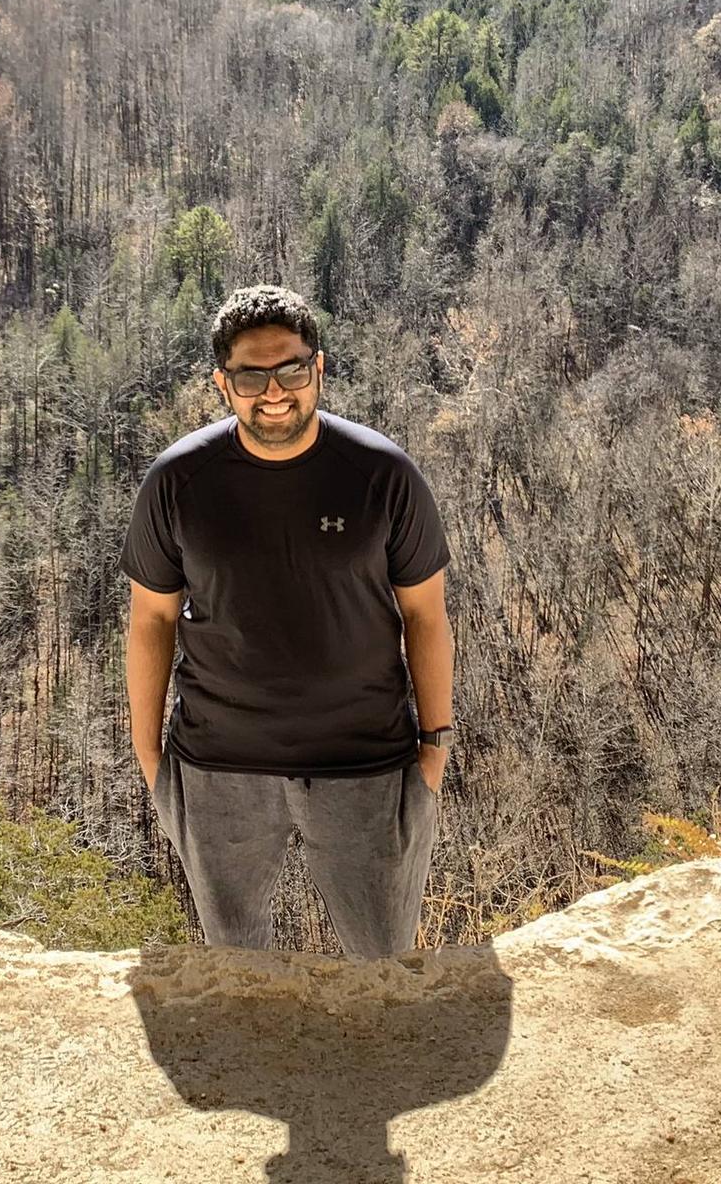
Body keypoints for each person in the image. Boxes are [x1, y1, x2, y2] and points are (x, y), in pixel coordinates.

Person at [122, 283, 454, 960]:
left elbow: (425, 614)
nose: (274, 392)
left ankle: (380, 1069)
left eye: (291, 370)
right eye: (251, 375)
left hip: (366, 759)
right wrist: (149, 754)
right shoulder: (179, 480)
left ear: (318, 369)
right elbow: (150, 619)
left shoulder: (381, 474)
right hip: (218, 762)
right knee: (237, 965)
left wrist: (435, 744)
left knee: (382, 962)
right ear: (223, 383)